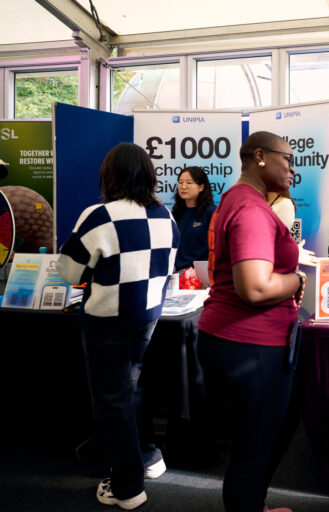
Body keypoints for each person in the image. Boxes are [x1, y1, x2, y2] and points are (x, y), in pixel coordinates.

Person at [57, 142, 180, 510]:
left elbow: (68, 271)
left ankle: (127, 488)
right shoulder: (165, 215)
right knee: (129, 389)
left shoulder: (99, 215)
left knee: (112, 401)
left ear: (109, 175)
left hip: (106, 320)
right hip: (148, 318)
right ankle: (147, 457)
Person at [197, 131, 313, 512]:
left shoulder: (240, 199)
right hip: (247, 345)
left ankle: (254, 505)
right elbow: (255, 288)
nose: (293, 169)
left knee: (268, 435)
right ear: (260, 156)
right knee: (252, 448)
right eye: (289, 159)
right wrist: (298, 280)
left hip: (243, 341)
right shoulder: (251, 210)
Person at [172, 166, 216, 271]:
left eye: (189, 183)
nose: (183, 186)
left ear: (201, 187)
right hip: (177, 274)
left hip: (203, 275)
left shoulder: (211, 212)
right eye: (180, 182)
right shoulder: (175, 213)